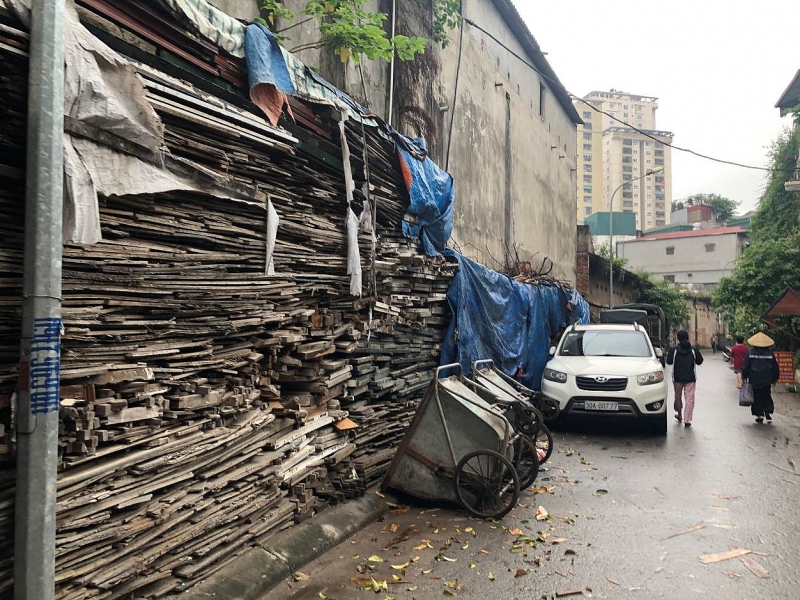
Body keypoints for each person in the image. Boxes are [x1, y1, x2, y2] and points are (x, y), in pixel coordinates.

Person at [666, 330, 704, 427]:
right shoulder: (693, 350)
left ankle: (679, 414)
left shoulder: (674, 350)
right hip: (690, 378)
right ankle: (687, 419)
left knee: (677, 397)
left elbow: (669, 361)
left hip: (677, 378)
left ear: (678, 339)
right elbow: (700, 361)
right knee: (689, 399)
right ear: (688, 337)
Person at [741, 332, 780, 424]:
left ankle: (760, 415)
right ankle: (767, 411)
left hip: (754, 379)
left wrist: (744, 376)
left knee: (757, 397)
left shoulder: (750, 352)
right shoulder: (770, 353)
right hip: (766, 379)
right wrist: (774, 379)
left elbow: (746, 366)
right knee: (766, 395)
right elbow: (775, 367)